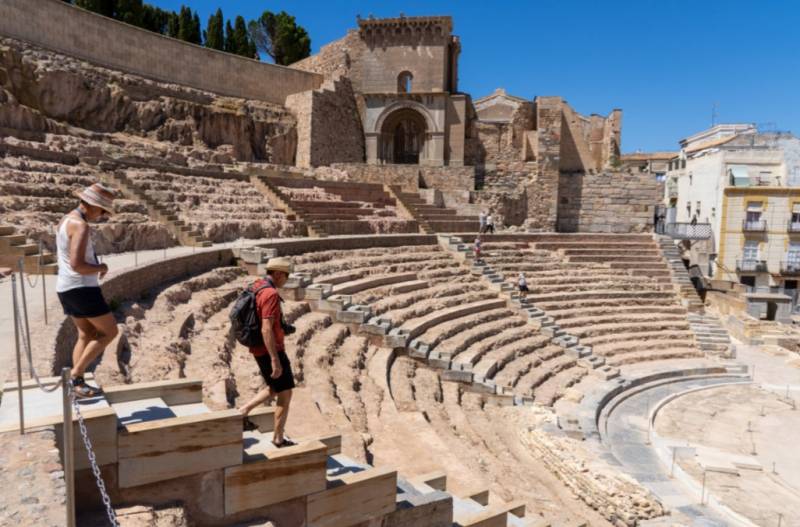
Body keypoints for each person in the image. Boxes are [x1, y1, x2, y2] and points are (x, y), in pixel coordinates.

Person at [56, 183, 118, 399]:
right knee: (110, 332)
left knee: (86, 334)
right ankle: (76, 375)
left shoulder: (66, 219)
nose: (101, 216)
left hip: (66, 288)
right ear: (92, 205)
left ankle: (77, 383)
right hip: (82, 289)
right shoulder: (80, 225)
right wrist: (102, 267)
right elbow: (78, 265)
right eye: (102, 211)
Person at [238, 257, 296, 448]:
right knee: (285, 393)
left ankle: (243, 411)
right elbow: (266, 328)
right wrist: (274, 359)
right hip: (271, 350)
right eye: (285, 276)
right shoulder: (270, 293)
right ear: (278, 273)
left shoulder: (257, 285)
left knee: (276, 386)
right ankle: (278, 438)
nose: (285, 280)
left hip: (259, 347)